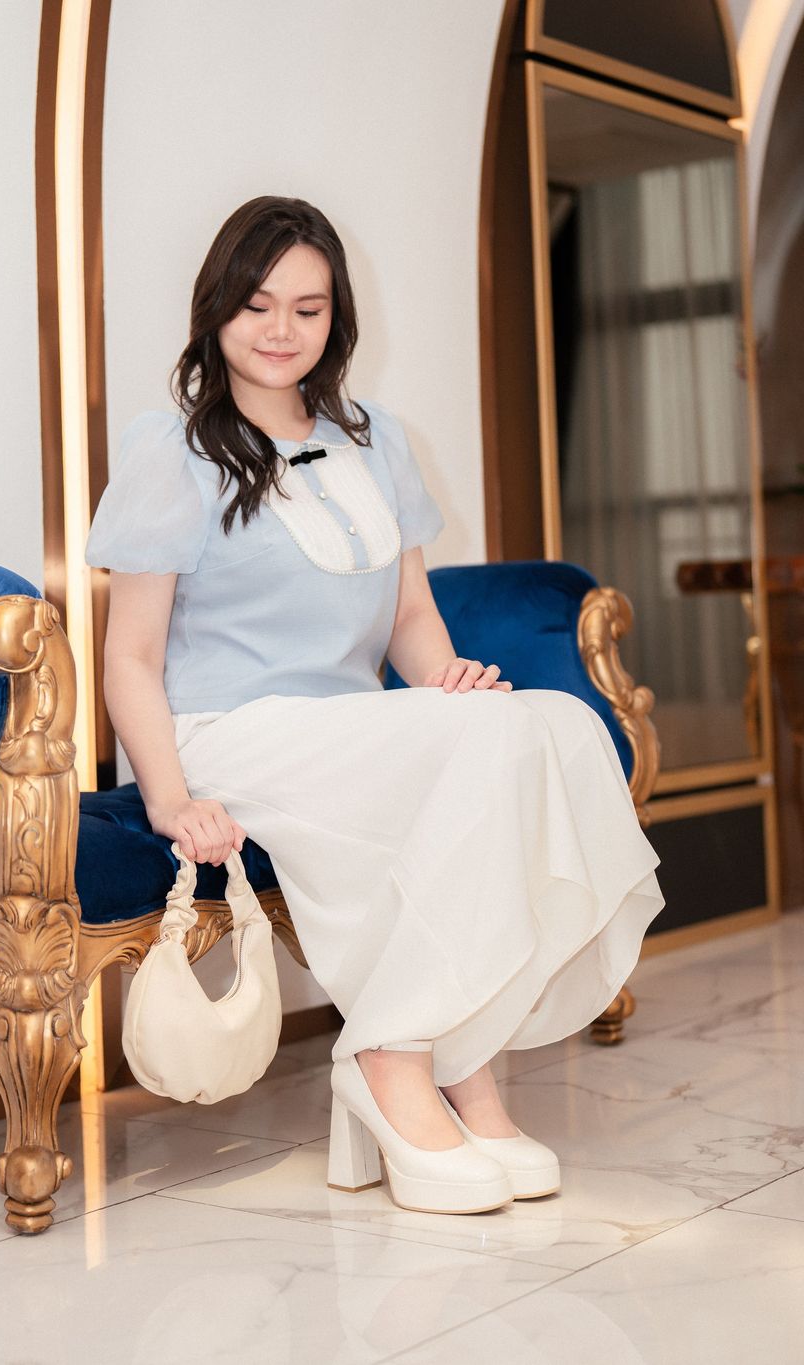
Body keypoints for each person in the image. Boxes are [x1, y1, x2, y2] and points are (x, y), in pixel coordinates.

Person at [86, 195, 664, 1216]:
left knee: (551, 724)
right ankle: (400, 1062)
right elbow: (128, 656)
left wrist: (447, 681)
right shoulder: (170, 448)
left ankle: (453, 1060)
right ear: (215, 309)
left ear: (336, 319)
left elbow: (408, 614)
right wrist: (170, 798)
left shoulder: (372, 439)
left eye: (307, 309)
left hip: (349, 726)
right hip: (229, 733)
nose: (279, 331)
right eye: (256, 304)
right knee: (483, 748)